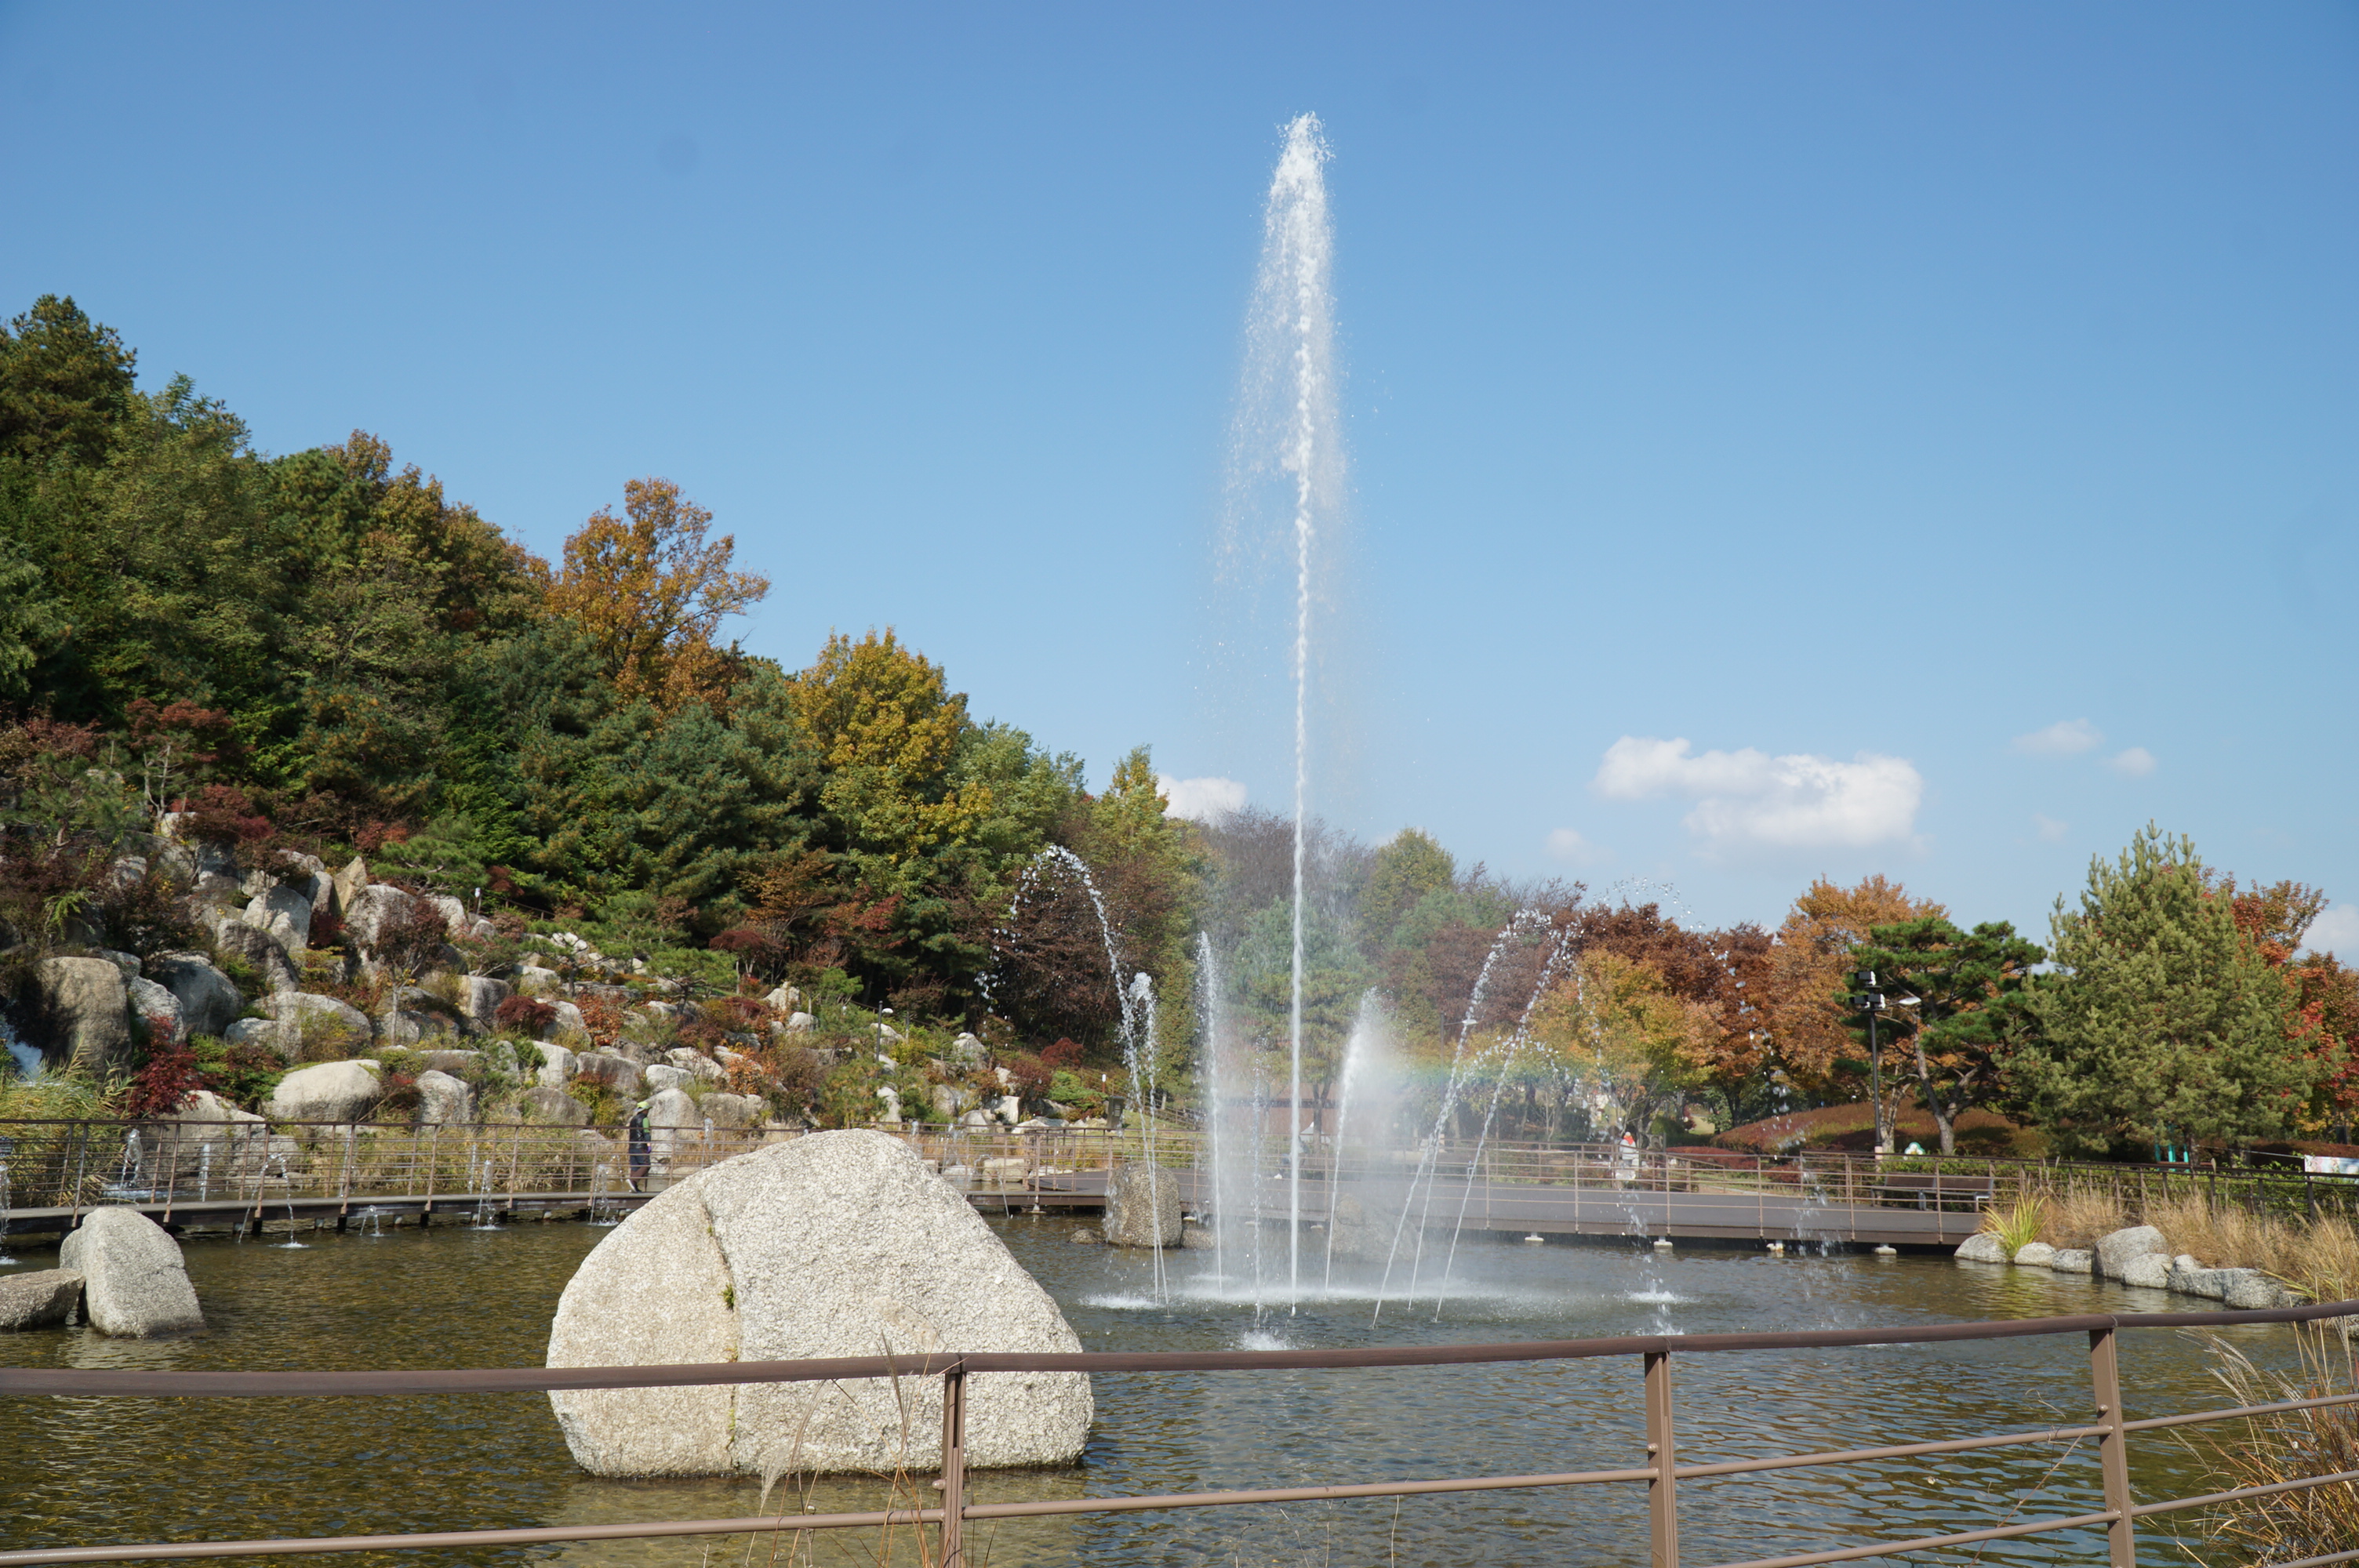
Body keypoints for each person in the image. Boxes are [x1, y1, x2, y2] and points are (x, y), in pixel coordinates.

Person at [627, 1101, 652, 1192]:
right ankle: (633, 1181)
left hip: (632, 1146)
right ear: (644, 1110)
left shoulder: (633, 1119)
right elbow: (646, 1132)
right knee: (646, 1165)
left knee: (635, 1167)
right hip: (640, 1146)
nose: (648, 1111)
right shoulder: (644, 1119)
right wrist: (648, 1145)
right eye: (647, 1110)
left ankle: (634, 1188)